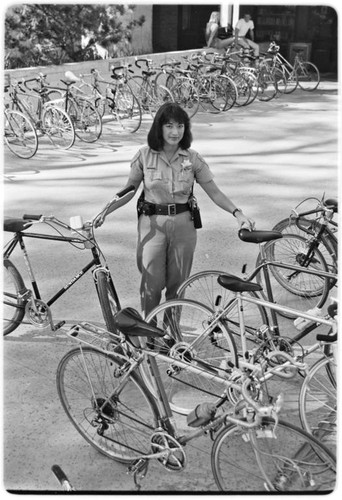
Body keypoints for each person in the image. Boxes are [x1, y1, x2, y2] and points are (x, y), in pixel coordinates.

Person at [94, 103, 254, 316]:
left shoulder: (193, 158)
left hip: (183, 226)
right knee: (152, 282)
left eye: (180, 126)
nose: (175, 132)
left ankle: (172, 334)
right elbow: (130, 190)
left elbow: (214, 192)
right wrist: (105, 211)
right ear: (159, 128)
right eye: (169, 126)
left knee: (177, 285)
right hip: (152, 225)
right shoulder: (144, 155)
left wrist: (238, 213)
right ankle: (150, 331)